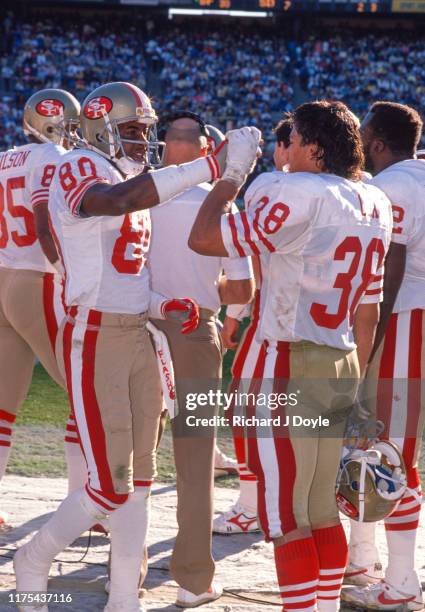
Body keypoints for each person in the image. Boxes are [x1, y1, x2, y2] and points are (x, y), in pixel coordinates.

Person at [12, 81, 248, 612]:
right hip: (94, 335)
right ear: (101, 125)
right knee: (109, 485)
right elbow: (114, 203)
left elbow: (130, 274)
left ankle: (123, 597)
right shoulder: (81, 167)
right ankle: (34, 557)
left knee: (141, 479)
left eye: (146, 130)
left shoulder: (128, 176)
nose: (144, 142)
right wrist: (209, 168)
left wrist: (165, 304)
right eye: (136, 130)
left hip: (137, 333)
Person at [189, 100, 393, 612]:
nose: (288, 150)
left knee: (285, 515)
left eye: (296, 139)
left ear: (315, 148)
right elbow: (367, 314)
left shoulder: (287, 189)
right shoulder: (375, 201)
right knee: (323, 507)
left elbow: (203, 236)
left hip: (284, 360)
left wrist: (232, 175)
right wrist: (356, 388)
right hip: (342, 358)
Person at [149, 111, 254, 606]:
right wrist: (207, 285)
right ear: (205, 147)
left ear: (167, 145)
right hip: (194, 328)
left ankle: (121, 570)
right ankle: (193, 579)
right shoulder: (221, 209)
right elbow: (243, 287)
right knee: (194, 461)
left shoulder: (134, 197)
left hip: (135, 327)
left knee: (129, 456)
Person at [342, 102, 425, 611]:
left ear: (375, 143)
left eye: (363, 133)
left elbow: (389, 274)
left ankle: (399, 584)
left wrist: (366, 344)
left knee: (390, 455)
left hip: (408, 321)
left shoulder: (390, 188)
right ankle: (366, 558)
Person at [0, 88, 85, 530]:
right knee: (83, 394)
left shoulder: (7, 157)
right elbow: (45, 223)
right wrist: (70, 274)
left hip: (4, 277)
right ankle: (82, 506)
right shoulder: (56, 157)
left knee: (3, 404)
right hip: (39, 279)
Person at [214, 114, 293, 535]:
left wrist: (235, 316)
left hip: (275, 321)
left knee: (246, 409)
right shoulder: (355, 193)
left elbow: (246, 258)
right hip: (335, 325)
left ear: (286, 148)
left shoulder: (273, 188)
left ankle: (252, 503)